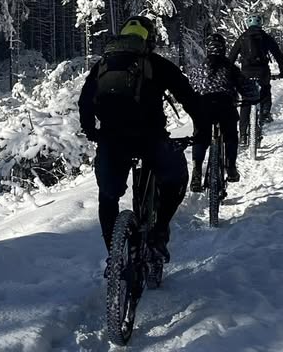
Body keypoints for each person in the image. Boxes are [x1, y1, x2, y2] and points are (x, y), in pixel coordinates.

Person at [79, 15, 201, 267]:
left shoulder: (102, 65)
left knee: (108, 197)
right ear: (150, 40)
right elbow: (188, 97)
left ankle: (116, 257)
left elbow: (85, 101)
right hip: (150, 139)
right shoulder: (157, 64)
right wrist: (201, 128)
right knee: (177, 179)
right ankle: (158, 233)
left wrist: (92, 131)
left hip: (112, 141)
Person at [188, 32, 255, 191]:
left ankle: (197, 170)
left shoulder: (198, 69)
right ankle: (230, 167)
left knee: (200, 136)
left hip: (203, 107)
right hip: (225, 106)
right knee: (231, 134)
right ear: (224, 49)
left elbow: (188, 89)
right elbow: (246, 87)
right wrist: (253, 97)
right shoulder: (230, 67)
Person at [229, 13, 283, 142]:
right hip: (262, 72)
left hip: (246, 73)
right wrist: (282, 71)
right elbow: (278, 55)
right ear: (260, 24)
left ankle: (243, 135)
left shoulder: (242, 38)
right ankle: (265, 114)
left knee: (246, 101)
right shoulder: (266, 37)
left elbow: (231, 57)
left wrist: (228, 73)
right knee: (265, 91)